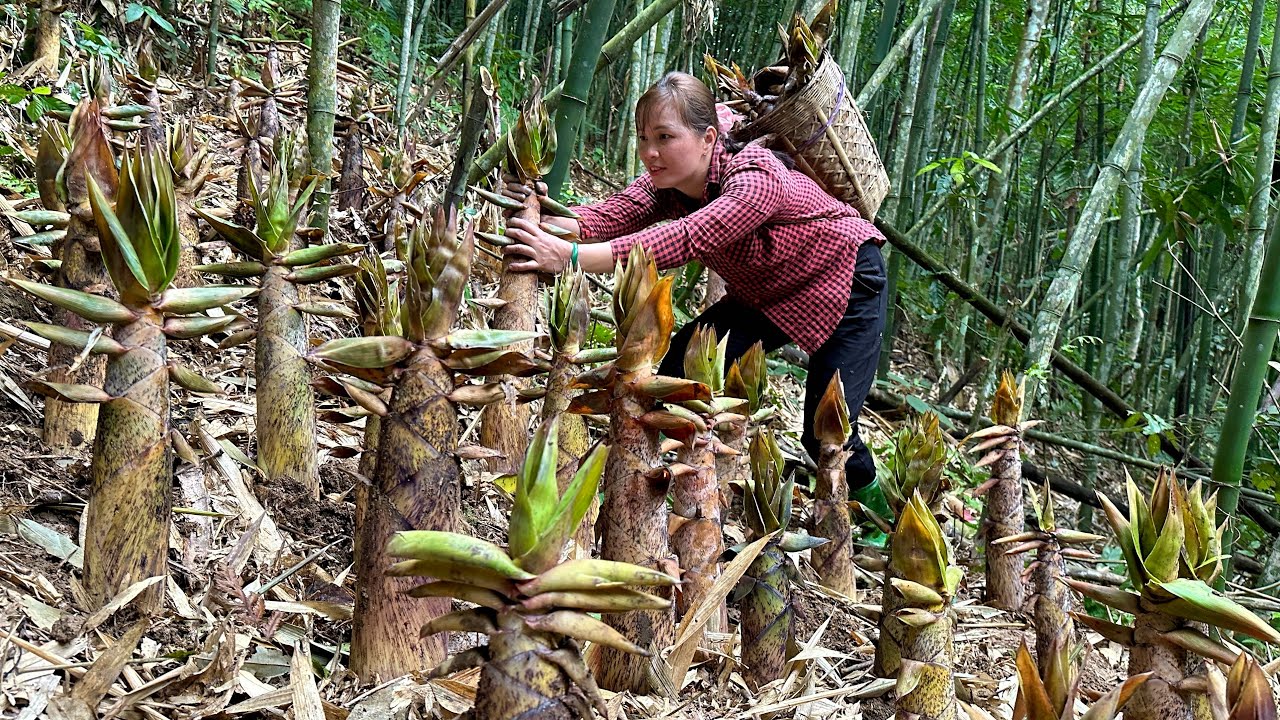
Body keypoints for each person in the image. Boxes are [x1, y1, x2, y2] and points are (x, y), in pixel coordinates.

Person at [501, 71, 893, 528]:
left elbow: (687, 236)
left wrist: (567, 256)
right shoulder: (666, 184)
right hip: (769, 290)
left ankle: (881, 523)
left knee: (827, 429)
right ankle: (659, 486)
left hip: (845, 278)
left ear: (708, 138)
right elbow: (615, 214)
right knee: (678, 368)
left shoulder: (757, 176)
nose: (650, 152)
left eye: (666, 137)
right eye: (644, 138)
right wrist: (550, 216)